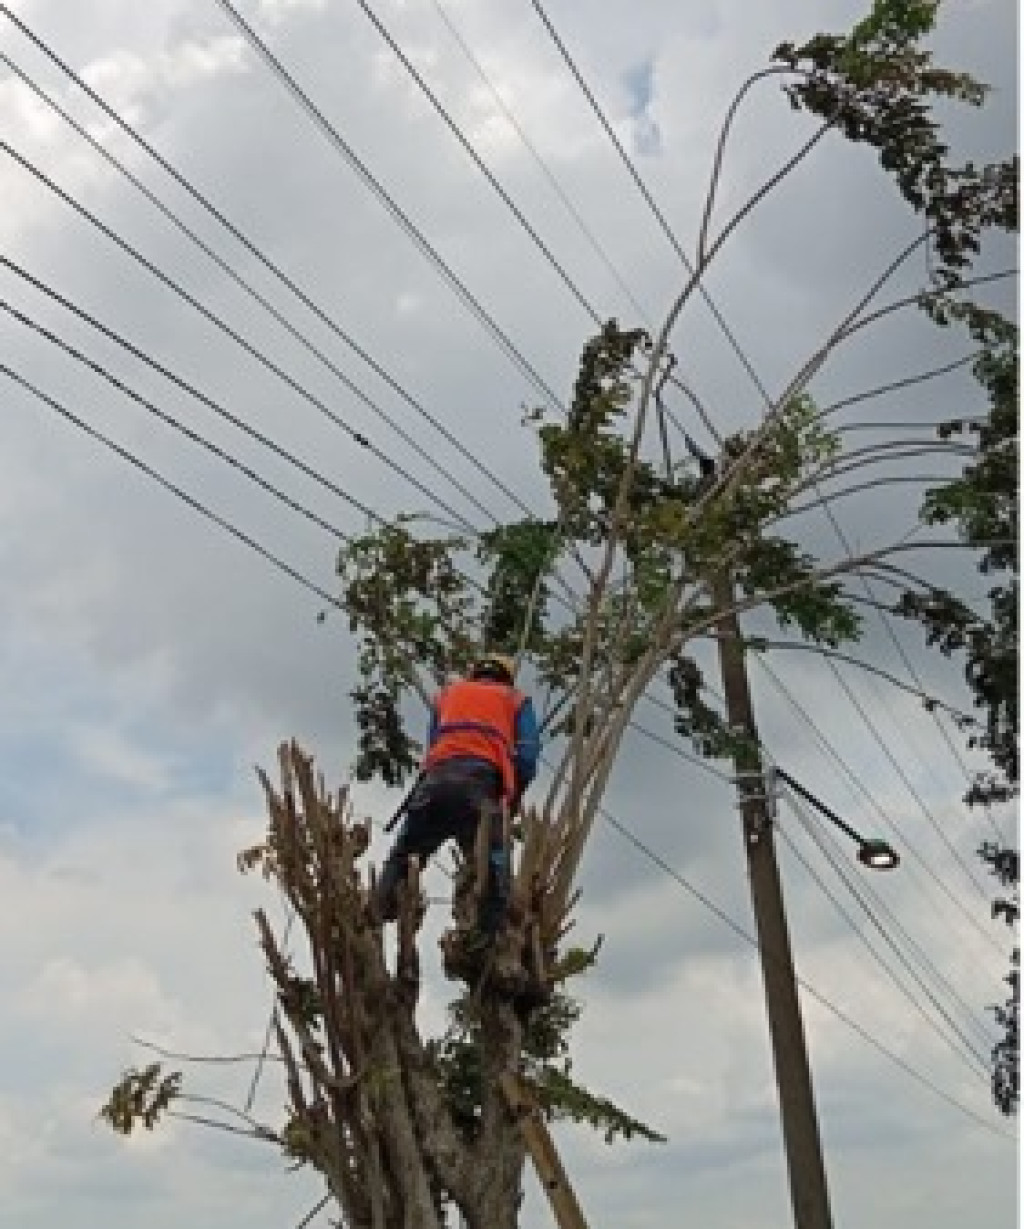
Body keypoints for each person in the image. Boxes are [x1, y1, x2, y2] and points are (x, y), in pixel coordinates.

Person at [375, 653, 540, 938]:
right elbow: (526, 759)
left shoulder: (447, 696)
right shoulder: (516, 700)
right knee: (494, 862)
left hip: (434, 785)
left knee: (404, 851)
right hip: (480, 789)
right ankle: (490, 935)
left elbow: (433, 746)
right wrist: (512, 800)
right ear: (507, 677)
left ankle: (380, 905)